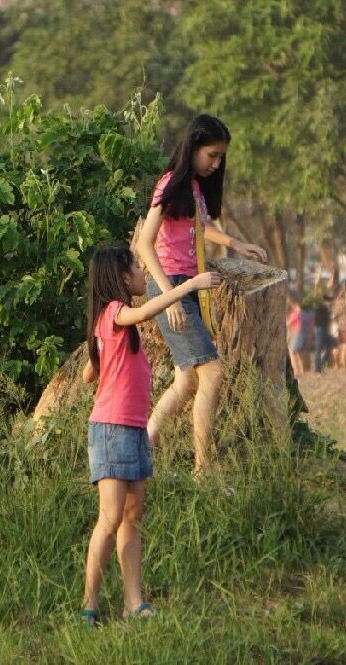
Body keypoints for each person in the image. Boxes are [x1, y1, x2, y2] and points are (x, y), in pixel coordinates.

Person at [79, 244, 221, 626]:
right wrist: (189, 284)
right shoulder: (114, 313)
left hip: (133, 429)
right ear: (124, 279)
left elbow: (89, 373)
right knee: (109, 518)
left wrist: (99, 363)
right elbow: (144, 310)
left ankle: (134, 603)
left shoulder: (116, 326)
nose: (144, 274)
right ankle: (89, 605)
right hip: (111, 429)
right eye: (139, 268)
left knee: (132, 516)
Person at [133, 114, 268, 474]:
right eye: (211, 155)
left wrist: (236, 243)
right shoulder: (169, 185)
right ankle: (203, 467)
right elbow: (146, 245)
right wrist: (170, 297)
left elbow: (199, 230)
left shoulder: (193, 189)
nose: (216, 163)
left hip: (187, 287)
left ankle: (142, 444)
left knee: (186, 379)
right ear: (193, 147)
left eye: (220, 157)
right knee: (212, 373)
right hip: (171, 286)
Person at [286, 296, 307, 379]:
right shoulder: (292, 314)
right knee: (295, 353)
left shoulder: (296, 314)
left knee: (292, 352)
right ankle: (299, 371)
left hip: (296, 334)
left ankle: (297, 372)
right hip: (294, 334)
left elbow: (288, 323)